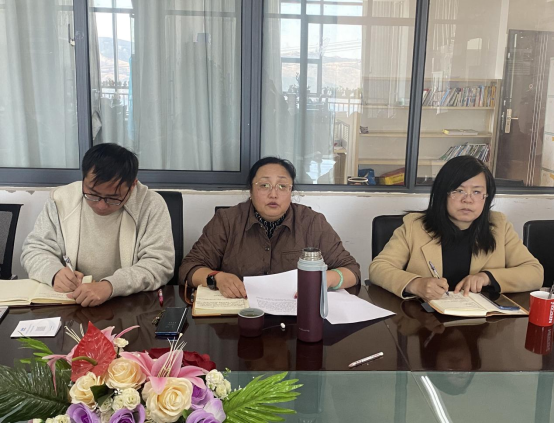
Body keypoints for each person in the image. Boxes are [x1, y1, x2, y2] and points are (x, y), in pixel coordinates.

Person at [179, 156, 360, 298]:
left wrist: (325, 280)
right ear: (251, 191)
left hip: (295, 317)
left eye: (282, 186)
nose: (273, 194)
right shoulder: (227, 221)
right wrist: (216, 278)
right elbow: (188, 268)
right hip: (239, 316)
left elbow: (351, 270)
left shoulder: (312, 222)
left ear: (291, 191)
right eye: (264, 185)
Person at [368, 155, 543, 300]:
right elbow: (379, 268)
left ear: (486, 197)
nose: (468, 200)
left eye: (476, 192)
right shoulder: (414, 225)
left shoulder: (499, 226)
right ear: (442, 193)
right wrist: (415, 284)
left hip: (482, 323)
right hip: (424, 321)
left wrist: (488, 277)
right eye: (458, 191)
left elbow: (534, 273)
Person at [21, 143, 175, 307]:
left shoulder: (150, 205)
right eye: (93, 195)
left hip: (129, 304)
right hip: (73, 302)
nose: (101, 206)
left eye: (113, 198)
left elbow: (159, 264)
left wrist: (110, 286)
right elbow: (34, 249)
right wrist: (54, 273)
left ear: (132, 186)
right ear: (83, 180)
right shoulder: (61, 200)